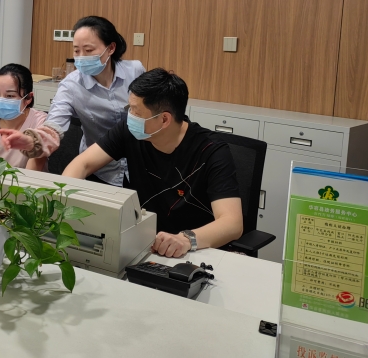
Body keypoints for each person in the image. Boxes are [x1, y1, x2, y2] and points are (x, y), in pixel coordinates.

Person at [62, 68, 243, 258]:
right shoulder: (129, 132)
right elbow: (82, 164)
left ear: (164, 119)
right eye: (129, 108)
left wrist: (185, 240)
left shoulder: (211, 151)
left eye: (136, 111)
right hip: (144, 245)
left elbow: (232, 224)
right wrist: (63, 202)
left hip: (194, 252)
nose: (129, 116)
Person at [0, 16, 144, 185]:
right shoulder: (71, 85)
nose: (81, 57)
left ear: (110, 48)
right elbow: (53, 125)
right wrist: (32, 141)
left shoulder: (135, 71)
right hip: (100, 169)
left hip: (140, 164)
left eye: (88, 50)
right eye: (76, 51)